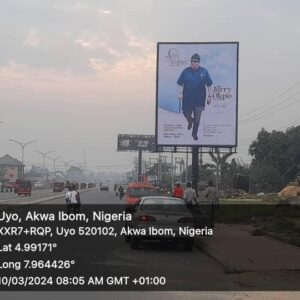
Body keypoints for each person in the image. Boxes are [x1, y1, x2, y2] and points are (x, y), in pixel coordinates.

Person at [177, 53, 213, 141]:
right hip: (187, 98)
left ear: (198, 62)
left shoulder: (204, 71)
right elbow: (180, 84)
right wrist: (180, 93)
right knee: (186, 113)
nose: (192, 62)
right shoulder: (186, 71)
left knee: (197, 118)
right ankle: (190, 121)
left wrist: (210, 96)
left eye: (195, 61)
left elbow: (209, 85)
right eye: (191, 61)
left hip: (199, 99)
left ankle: (194, 133)